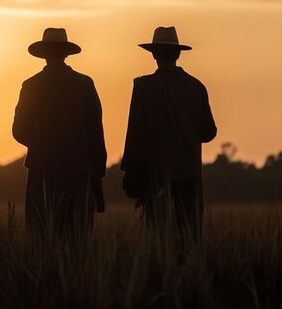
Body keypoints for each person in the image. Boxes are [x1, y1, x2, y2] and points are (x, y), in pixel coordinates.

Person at [121, 26, 216, 244]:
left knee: (158, 239)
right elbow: (209, 132)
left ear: (153, 54)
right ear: (178, 54)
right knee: (190, 238)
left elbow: (135, 135)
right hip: (190, 175)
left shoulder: (143, 86)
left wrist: (131, 174)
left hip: (157, 176)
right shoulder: (197, 87)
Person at [13, 27, 107, 244]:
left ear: (44, 54)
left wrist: (41, 144)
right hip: (78, 174)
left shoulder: (30, 85)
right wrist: (97, 171)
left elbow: (19, 131)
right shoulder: (84, 84)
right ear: (66, 53)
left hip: (41, 173)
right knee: (76, 240)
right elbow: (95, 132)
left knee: (40, 238)